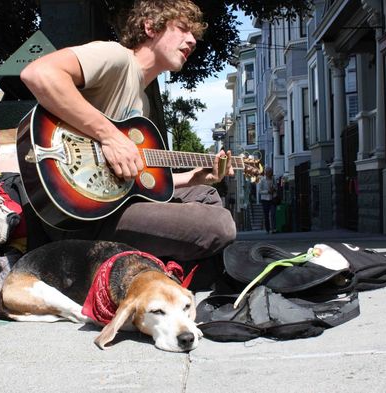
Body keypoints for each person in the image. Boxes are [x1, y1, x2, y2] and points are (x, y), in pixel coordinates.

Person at [19, 0, 236, 289]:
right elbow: (38, 74)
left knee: (207, 194)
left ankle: (148, 271)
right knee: (219, 226)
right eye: (183, 28)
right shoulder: (116, 57)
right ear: (150, 27)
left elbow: (140, 182)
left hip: (115, 202)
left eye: (194, 34)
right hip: (82, 214)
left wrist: (193, 177)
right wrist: (108, 135)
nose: (192, 40)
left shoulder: (141, 102)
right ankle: (139, 272)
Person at [258, 167, 277, 234]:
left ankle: (274, 228)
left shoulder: (273, 179)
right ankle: (267, 229)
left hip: (272, 198)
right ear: (266, 173)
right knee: (266, 215)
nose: (270, 174)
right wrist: (267, 191)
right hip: (265, 199)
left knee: (273, 213)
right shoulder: (262, 180)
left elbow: (276, 187)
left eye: (271, 172)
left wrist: (274, 189)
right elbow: (260, 191)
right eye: (268, 172)